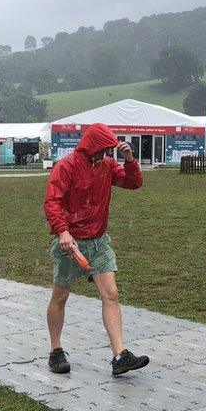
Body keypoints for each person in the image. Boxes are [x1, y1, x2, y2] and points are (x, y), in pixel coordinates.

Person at [43, 123, 148, 376]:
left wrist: (130, 160)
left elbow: (134, 183)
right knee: (60, 297)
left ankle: (119, 355)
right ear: (91, 146)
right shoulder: (66, 166)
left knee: (111, 293)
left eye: (107, 151)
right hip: (71, 245)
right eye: (101, 150)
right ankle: (56, 351)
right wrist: (63, 231)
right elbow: (52, 201)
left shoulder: (108, 165)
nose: (104, 155)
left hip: (99, 242)